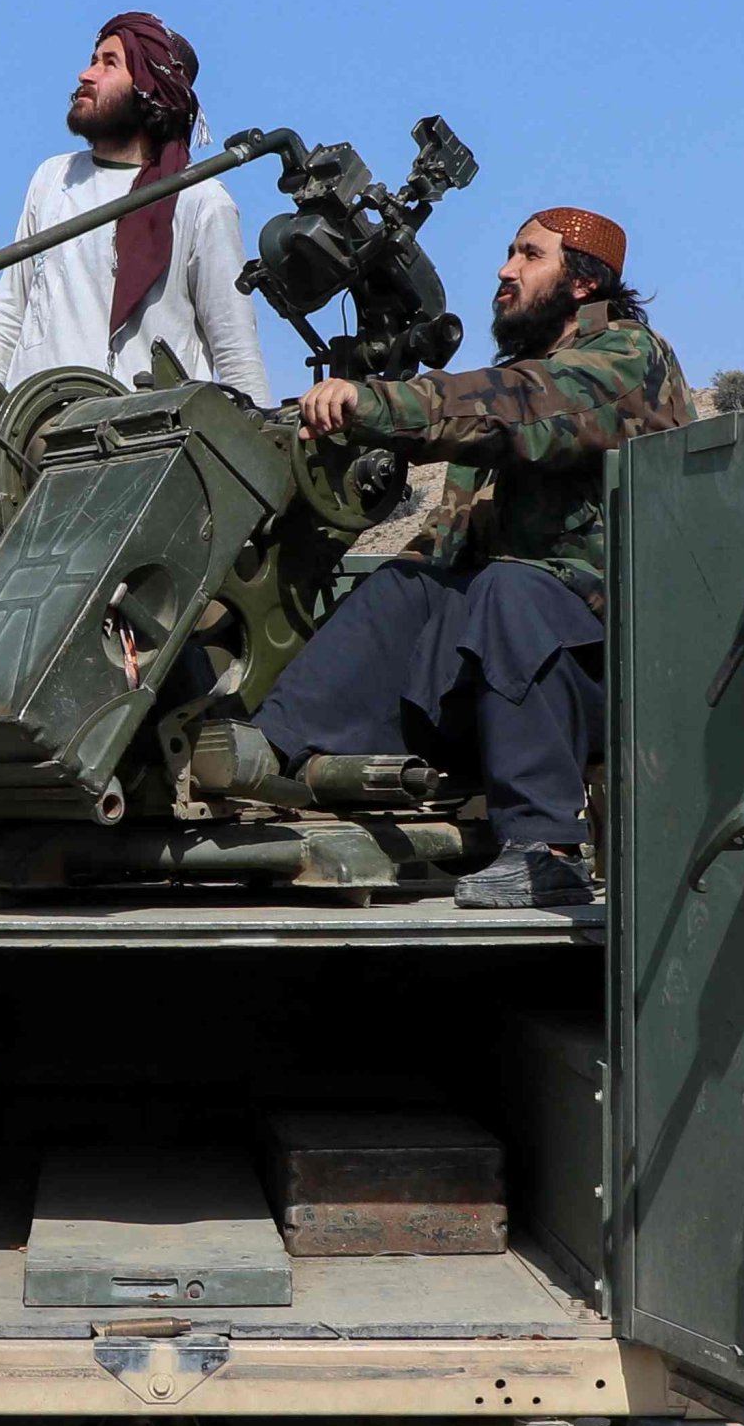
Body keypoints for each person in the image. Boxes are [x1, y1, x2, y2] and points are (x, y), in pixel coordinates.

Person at [261, 206, 695, 908]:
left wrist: (377, 404)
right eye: (508, 253)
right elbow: (446, 548)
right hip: (519, 669)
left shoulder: (625, 360)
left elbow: (519, 408)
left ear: (582, 283)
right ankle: (267, 754)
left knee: (508, 589)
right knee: (407, 586)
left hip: (621, 667)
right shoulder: (520, 379)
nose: (505, 269)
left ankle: (546, 848)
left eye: (529, 255)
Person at [0, 11, 272, 396]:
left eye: (109, 64)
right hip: (32, 436)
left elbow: (235, 351)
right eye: (93, 59)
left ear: (150, 89)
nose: (86, 74)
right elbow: (9, 313)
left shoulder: (199, 200)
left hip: (139, 444)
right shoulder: (53, 178)